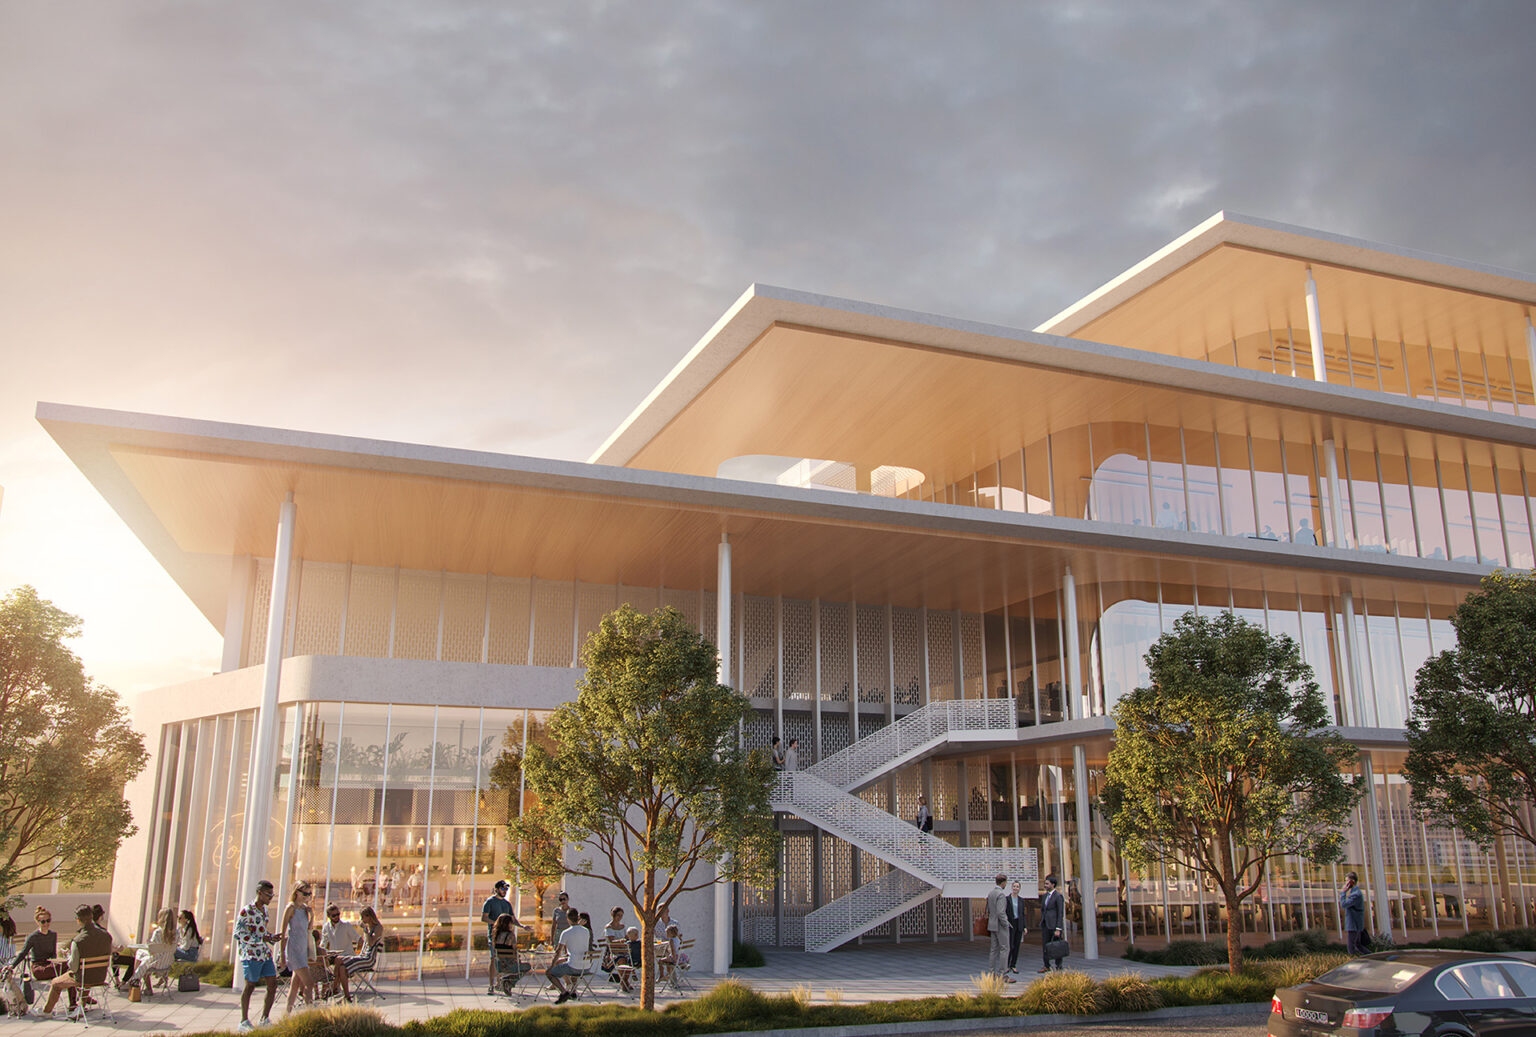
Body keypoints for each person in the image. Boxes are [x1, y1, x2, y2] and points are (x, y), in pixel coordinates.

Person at [40, 905, 111, 1019]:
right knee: (85, 975)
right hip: (100, 976)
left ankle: (46, 1012)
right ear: (92, 917)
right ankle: (80, 1007)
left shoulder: (78, 940)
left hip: (84, 978)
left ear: (78, 920)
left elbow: (73, 967)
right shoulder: (106, 936)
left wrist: (69, 957)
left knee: (55, 983)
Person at [235, 879, 281, 1031]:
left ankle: (264, 1018)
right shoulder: (247, 911)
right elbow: (239, 933)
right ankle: (244, 1021)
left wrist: (270, 937)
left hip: (264, 952)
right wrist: (262, 938)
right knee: (250, 985)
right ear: (260, 893)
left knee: (273, 984)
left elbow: (260, 932)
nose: (270, 898)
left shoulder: (265, 911)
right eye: (268, 895)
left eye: (272, 895)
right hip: (250, 953)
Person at [333, 906, 382, 1003]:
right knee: (341, 966)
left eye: (363, 917)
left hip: (368, 959)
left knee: (339, 960)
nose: (361, 920)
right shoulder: (368, 928)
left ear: (369, 916)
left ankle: (334, 987)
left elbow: (370, 943)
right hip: (361, 957)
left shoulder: (378, 928)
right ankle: (346, 996)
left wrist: (366, 931)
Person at [279, 884, 316, 1014]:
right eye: (305, 893)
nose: (307, 897)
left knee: (294, 985)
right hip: (294, 949)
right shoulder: (291, 908)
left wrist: (312, 916)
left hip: (302, 949)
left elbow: (309, 930)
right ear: (297, 892)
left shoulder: (305, 909)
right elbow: (283, 933)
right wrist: (282, 956)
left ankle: (287, 1014)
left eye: (309, 894)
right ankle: (309, 1012)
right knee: (309, 983)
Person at [479, 880, 519, 994]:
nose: (504, 891)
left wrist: (522, 926)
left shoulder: (507, 904)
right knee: (494, 958)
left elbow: (512, 918)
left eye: (506, 889)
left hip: (506, 936)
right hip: (494, 935)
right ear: (496, 889)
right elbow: (484, 917)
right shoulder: (490, 902)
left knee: (503, 958)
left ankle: (500, 983)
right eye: (502, 889)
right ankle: (491, 985)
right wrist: (496, 923)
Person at [545, 908, 590, 1004]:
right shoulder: (586, 931)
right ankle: (572, 990)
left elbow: (558, 952)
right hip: (586, 967)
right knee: (564, 963)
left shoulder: (565, 932)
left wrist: (551, 966)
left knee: (549, 973)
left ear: (567, 919)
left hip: (573, 966)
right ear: (578, 917)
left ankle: (564, 992)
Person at [10, 906, 62, 986]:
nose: (46, 924)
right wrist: (12, 966)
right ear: (37, 922)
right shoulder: (33, 937)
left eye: (48, 921)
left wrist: (55, 962)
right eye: (43, 922)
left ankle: (74, 998)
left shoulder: (53, 935)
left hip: (50, 965)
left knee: (68, 969)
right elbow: (23, 953)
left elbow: (53, 954)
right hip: (38, 968)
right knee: (65, 970)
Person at [985, 873, 1011, 980]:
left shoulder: (991, 893)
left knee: (993, 950)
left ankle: (991, 973)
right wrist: (1006, 923)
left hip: (992, 924)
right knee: (1004, 948)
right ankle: (1002, 973)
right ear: (1003, 882)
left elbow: (989, 910)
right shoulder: (1001, 895)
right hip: (1000, 925)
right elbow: (1001, 912)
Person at [1039, 875, 1066, 973]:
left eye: (1047, 884)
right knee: (1045, 945)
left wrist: (1058, 928)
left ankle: (1058, 965)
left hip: (1054, 925)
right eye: (1045, 883)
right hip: (1046, 924)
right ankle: (1046, 965)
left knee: (1056, 946)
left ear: (1053, 885)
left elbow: (1060, 913)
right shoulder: (1045, 896)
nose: (1045, 885)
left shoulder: (1058, 896)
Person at [1004, 879, 1030, 975]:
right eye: (1014, 886)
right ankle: (1006, 965)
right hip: (1010, 925)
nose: (1016, 888)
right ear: (1011, 887)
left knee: (1017, 946)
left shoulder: (1021, 900)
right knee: (1010, 945)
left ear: (1019, 889)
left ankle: (1013, 965)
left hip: (1018, 923)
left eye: (1017, 887)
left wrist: (1024, 926)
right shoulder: (1007, 899)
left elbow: (1022, 914)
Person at [1340, 871, 1367, 954]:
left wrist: (1343, 893)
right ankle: (1372, 957)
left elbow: (1344, 904)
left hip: (1354, 923)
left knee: (1351, 946)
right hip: (1355, 923)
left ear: (1352, 881)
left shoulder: (1355, 894)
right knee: (1358, 945)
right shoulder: (1355, 893)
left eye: (1346, 881)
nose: (1345, 884)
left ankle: (1353, 961)